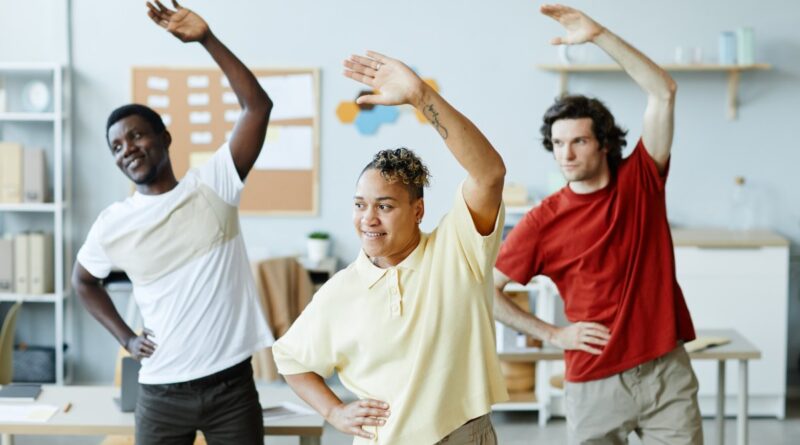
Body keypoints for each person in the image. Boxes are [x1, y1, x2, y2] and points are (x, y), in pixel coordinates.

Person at [272, 51, 508, 444]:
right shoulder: (341, 290)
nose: (369, 218)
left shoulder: (458, 251)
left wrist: (420, 96)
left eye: (385, 206)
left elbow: (489, 174)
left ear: (418, 211)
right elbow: (291, 359)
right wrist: (333, 410)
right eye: (360, 205)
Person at [493, 4, 702, 444]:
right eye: (557, 144)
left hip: (666, 371)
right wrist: (554, 334)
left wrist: (598, 35)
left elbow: (663, 91)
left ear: (604, 143)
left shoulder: (641, 179)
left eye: (579, 141)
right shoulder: (541, 221)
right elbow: (483, 290)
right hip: (593, 382)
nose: (566, 154)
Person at [72, 1, 273, 443]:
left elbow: (257, 108)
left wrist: (206, 39)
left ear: (165, 138)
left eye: (137, 135)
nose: (128, 148)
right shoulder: (113, 224)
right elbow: (84, 283)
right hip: (161, 394)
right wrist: (126, 338)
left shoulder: (214, 185)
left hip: (231, 387)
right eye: (117, 146)